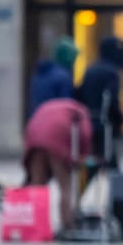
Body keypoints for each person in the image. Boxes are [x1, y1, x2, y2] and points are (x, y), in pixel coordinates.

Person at [23, 96, 93, 233]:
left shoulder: (48, 106)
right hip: (57, 142)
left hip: (35, 140)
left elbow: (30, 126)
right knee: (65, 187)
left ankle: (35, 225)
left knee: (38, 186)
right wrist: (83, 156)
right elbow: (85, 134)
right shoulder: (81, 111)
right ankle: (67, 224)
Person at [74, 35, 123, 167]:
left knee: (92, 162)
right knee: (109, 163)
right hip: (104, 125)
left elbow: (80, 94)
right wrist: (118, 119)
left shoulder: (91, 70)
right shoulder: (111, 72)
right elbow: (111, 99)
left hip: (88, 122)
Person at [28, 38, 77, 119]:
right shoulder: (63, 77)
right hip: (54, 124)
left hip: (36, 122)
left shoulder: (40, 72)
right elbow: (66, 108)